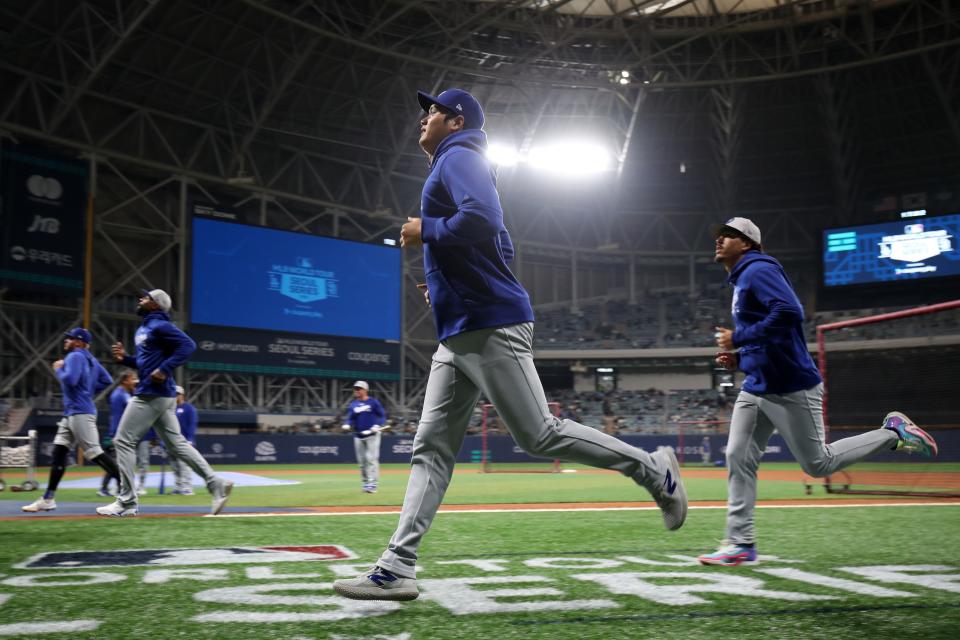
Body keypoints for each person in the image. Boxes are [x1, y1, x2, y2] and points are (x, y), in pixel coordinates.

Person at [333, 89, 686, 602]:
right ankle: (397, 566)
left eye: (431, 111)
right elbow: (496, 244)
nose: (423, 118)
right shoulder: (456, 160)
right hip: (460, 330)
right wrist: (444, 282)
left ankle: (654, 471)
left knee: (539, 435)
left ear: (456, 121)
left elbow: (485, 219)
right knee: (430, 450)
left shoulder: (462, 156)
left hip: (490, 325)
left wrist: (424, 230)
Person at [698, 217, 939, 567]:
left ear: (747, 244)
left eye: (730, 235)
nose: (719, 239)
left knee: (817, 464)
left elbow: (790, 312)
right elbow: (768, 334)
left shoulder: (757, 269)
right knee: (738, 455)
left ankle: (892, 433)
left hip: (791, 385)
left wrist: (740, 338)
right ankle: (740, 544)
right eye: (719, 234)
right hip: (757, 386)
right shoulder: (742, 278)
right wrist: (740, 357)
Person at [96, 289, 233, 516]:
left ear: (156, 304)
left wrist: (165, 369)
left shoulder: (160, 325)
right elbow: (145, 363)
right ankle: (216, 484)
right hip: (162, 395)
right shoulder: (146, 328)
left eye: (145, 297)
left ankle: (127, 501)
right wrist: (125, 359)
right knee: (177, 445)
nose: (140, 299)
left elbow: (188, 346)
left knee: (123, 441)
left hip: (151, 393)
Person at [23, 328, 121, 512]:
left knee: (95, 453)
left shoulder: (75, 356)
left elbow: (71, 380)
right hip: (72, 413)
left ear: (79, 342)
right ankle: (48, 498)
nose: (66, 340)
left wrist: (59, 370)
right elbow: (107, 380)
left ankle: (128, 491)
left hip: (79, 412)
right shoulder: (92, 360)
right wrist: (89, 390)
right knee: (59, 453)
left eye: (70, 338)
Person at [341, 380, 387, 493]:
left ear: (365, 390)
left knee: (372, 459)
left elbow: (382, 416)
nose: (356, 391)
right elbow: (351, 418)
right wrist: (347, 424)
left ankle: (373, 484)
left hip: (373, 435)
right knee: (362, 462)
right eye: (355, 389)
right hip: (358, 435)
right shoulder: (353, 405)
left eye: (359, 389)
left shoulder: (373, 402)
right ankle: (366, 483)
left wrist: (377, 425)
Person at [98, 369, 138, 497]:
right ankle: (118, 489)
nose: (135, 381)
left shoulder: (124, 393)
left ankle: (108, 488)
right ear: (125, 380)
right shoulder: (120, 394)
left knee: (116, 463)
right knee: (118, 463)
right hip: (117, 433)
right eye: (132, 379)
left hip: (118, 432)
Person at [171, 385, 198, 495]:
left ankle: (187, 487)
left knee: (184, 466)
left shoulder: (189, 408)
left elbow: (192, 425)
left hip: (184, 441)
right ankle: (178, 487)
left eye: (177, 394)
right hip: (171, 442)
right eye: (174, 394)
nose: (175, 396)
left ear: (182, 395)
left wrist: (190, 439)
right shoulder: (171, 408)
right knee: (175, 467)